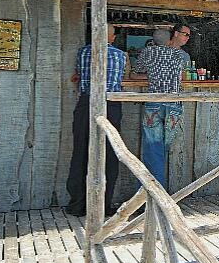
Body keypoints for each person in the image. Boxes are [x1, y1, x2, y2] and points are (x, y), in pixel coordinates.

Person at [66, 23, 130, 217]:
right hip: (110, 104)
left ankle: (77, 205)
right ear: (111, 37)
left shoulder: (83, 52)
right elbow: (122, 78)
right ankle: (103, 204)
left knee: (81, 152)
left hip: (86, 103)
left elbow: (79, 75)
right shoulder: (120, 55)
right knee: (110, 154)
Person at [133, 29, 186, 190]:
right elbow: (182, 77)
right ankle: (154, 195)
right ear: (170, 40)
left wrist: (152, 76)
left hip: (154, 105)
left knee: (152, 151)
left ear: (153, 40)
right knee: (161, 151)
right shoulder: (179, 55)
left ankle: (151, 197)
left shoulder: (147, 52)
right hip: (174, 106)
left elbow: (134, 74)